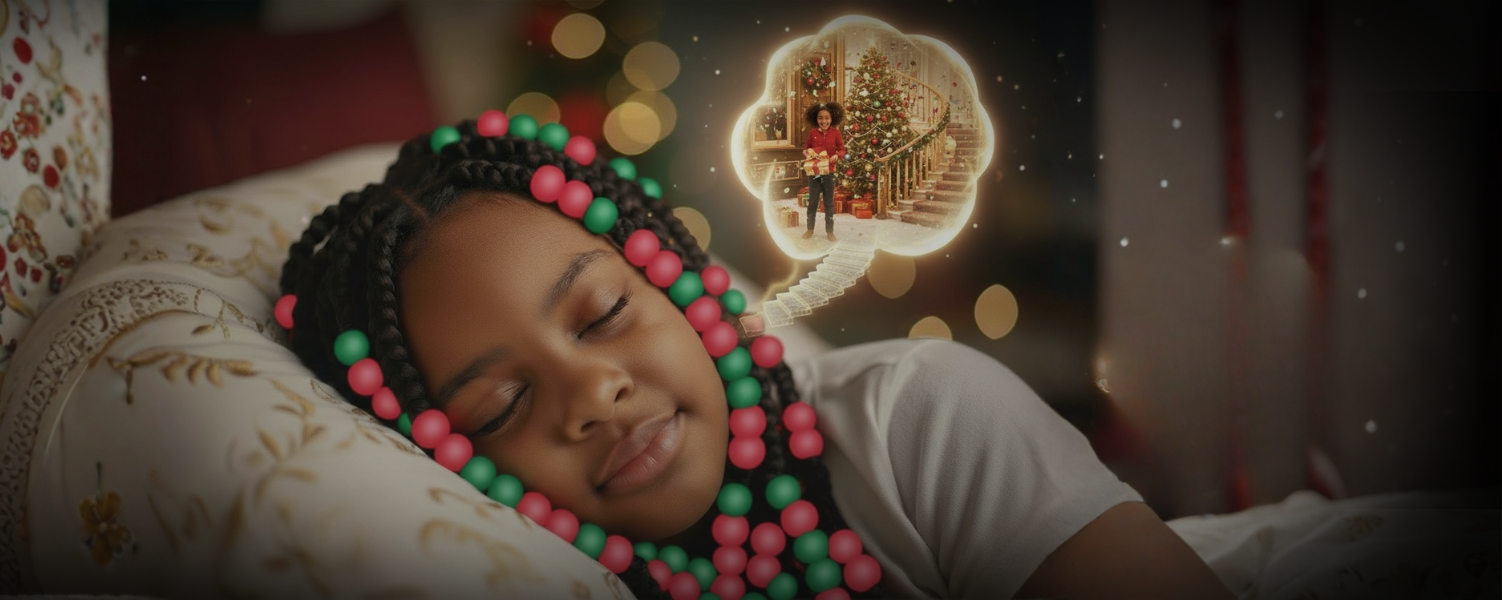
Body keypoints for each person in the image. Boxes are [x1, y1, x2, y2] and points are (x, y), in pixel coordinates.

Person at [276, 117, 1233, 599]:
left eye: (604, 312)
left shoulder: (925, 417)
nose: (591, 394)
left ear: (681, 280)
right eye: (495, 406)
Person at [802, 103, 845, 242]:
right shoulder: (812, 133)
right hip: (814, 173)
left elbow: (842, 149)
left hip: (829, 172)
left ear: (832, 119)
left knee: (829, 203)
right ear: (816, 119)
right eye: (820, 118)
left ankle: (830, 231)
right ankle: (809, 229)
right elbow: (806, 148)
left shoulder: (836, 133)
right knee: (813, 201)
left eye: (827, 118)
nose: (824, 121)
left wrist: (837, 155)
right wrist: (806, 152)